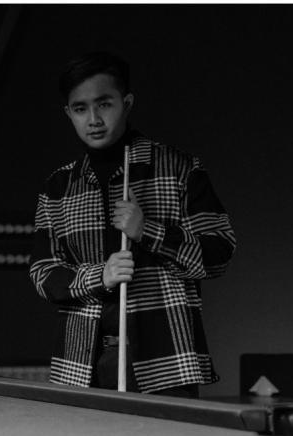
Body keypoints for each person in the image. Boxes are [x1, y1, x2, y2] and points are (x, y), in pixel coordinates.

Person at [29, 52, 236, 397]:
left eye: (104, 104)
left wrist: (148, 232)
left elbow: (220, 254)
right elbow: (43, 273)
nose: (93, 119)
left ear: (126, 103)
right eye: (80, 109)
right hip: (82, 367)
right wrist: (101, 276)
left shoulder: (179, 168)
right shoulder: (58, 187)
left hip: (168, 364)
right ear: (69, 114)